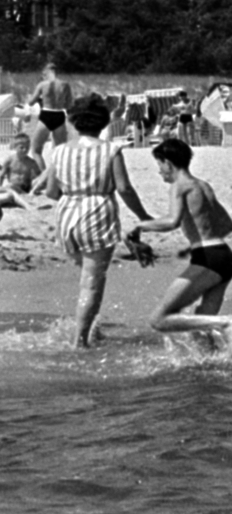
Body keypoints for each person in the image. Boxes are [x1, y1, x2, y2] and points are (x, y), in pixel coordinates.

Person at [40, 95, 153, 347]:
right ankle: (80, 341)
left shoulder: (59, 151)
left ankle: (92, 328)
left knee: (85, 275)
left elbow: (50, 192)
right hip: (98, 212)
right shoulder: (110, 150)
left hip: (67, 214)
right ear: (103, 123)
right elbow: (124, 188)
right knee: (92, 283)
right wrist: (143, 216)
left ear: (72, 121)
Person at [129, 139, 232, 348]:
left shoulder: (179, 186)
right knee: (200, 330)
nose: (159, 171)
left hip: (208, 259)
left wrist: (139, 227)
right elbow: (227, 225)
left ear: (168, 163)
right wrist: (192, 244)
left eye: (159, 165)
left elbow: (172, 221)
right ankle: (217, 366)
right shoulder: (203, 186)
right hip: (225, 257)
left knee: (159, 319)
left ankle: (227, 323)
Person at [26, 62, 74, 169]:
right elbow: (69, 105)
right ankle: (58, 176)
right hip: (59, 115)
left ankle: (44, 176)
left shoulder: (42, 84)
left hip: (46, 114)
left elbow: (31, 102)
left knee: (36, 150)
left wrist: (36, 99)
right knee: (60, 151)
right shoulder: (65, 85)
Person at [2, 133, 42, 212]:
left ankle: (22, 201)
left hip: (25, 190)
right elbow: (1, 175)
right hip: (13, 187)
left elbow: (39, 177)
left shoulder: (31, 162)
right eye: (21, 147)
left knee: (10, 187)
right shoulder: (9, 160)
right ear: (15, 147)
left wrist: (34, 188)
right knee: (9, 186)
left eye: (27, 147)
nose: (25, 150)